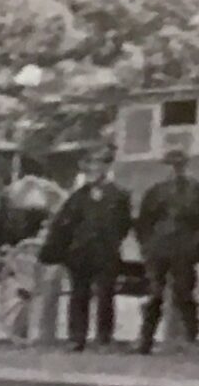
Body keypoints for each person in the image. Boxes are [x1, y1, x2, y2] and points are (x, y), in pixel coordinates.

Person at [40, 145, 132, 351]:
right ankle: (77, 337)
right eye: (93, 164)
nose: (96, 169)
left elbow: (124, 224)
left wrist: (111, 241)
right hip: (80, 253)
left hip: (106, 253)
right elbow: (65, 222)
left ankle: (103, 338)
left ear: (107, 168)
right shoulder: (79, 196)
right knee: (79, 294)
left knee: (105, 295)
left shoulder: (119, 196)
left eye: (101, 164)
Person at [133, 147, 199, 353]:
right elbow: (143, 222)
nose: (175, 170)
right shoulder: (155, 192)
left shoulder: (198, 191)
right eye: (171, 166)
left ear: (185, 166)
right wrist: (147, 246)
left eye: (179, 165)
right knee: (155, 293)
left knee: (185, 292)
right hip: (159, 248)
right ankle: (146, 339)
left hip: (185, 248)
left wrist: (197, 242)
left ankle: (191, 338)